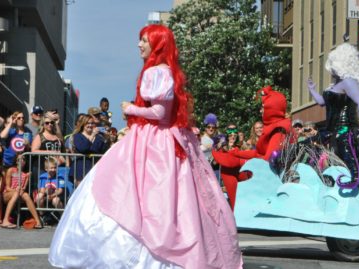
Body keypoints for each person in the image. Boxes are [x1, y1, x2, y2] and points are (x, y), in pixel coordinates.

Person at [49, 24, 242, 269]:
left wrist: (130, 109)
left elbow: (159, 112)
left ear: (158, 44)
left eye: (144, 40)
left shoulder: (157, 72)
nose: (139, 45)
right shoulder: (167, 71)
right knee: (174, 196)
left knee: (141, 192)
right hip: (166, 139)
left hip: (155, 139)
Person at [212, 85, 291, 210]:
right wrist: (237, 153)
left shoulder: (278, 132)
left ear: (272, 110)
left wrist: (240, 160)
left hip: (266, 177)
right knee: (228, 160)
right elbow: (258, 153)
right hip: (261, 172)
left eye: (263, 108)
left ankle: (236, 210)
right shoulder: (274, 128)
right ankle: (236, 209)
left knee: (229, 167)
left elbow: (266, 163)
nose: (261, 111)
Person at [307, 42, 359, 189]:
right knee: (310, 145)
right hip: (331, 129)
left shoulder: (348, 82)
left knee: (345, 149)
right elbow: (323, 102)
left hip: (345, 128)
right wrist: (312, 90)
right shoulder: (334, 85)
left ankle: (355, 177)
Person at [0, 153, 43, 229]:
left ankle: (38, 221)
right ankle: (5, 220)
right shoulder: (11, 170)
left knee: (26, 195)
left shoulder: (24, 174)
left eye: (23, 159)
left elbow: (23, 188)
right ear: (16, 161)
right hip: (7, 194)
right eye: (19, 159)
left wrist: (27, 179)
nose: (22, 161)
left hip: (18, 194)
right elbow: (7, 188)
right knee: (17, 193)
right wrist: (16, 190)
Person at [68, 114, 109, 188]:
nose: (90, 125)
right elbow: (83, 148)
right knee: (81, 193)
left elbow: (103, 151)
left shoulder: (98, 137)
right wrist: (92, 135)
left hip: (93, 169)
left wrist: (106, 139)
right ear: (83, 124)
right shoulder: (77, 136)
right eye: (88, 123)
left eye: (92, 123)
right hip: (80, 169)